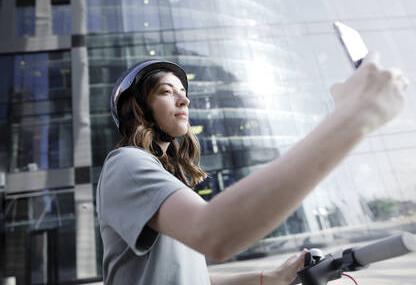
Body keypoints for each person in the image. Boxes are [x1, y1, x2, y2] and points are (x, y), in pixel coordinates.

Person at [96, 54, 408, 284]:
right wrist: (356, 116)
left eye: (182, 91)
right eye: (166, 91)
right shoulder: (126, 163)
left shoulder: (163, 183)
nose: (184, 99)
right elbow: (214, 232)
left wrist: (270, 277)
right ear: (134, 109)